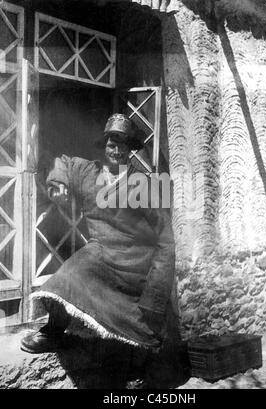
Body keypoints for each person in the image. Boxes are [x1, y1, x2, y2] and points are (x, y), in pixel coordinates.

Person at [20, 113, 189, 388]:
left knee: (144, 327)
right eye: (111, 143)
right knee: (69, 274)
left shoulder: (145, 185)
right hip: (101, 252)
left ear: (131, 149)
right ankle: (53, 331)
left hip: (135, 260)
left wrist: (157, 287)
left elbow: (165, 239)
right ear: (105, 146)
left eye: (123, 144)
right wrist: (58, 184)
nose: (116, 149)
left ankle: (135, 369)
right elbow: (63, 163)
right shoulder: (89, 172)